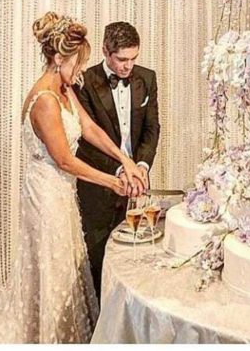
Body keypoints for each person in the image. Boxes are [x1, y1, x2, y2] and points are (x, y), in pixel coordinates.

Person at [0, 12, 146, 344]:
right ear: (58, 58)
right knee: (52, 267)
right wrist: (113, 181)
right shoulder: (44, 100)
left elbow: (88, 129)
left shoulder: (64, 87)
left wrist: (125, 159)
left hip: (61, 191)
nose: (80, 69)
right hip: (45, 193)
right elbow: (65, 160)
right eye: (76, 62)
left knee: (66, 265)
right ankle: (49, 336)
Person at [75, 21, 160, 299]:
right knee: (99, 252)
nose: (128, 67)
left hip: (137, 181)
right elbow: (87, 139)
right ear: (105, 51)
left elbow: (151, 129)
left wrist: (142, 166)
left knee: (136, 251)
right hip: (99, 182)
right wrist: (119, 169)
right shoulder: (84, 81)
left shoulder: (146, 78)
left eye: (133, 59)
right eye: (122, 59)